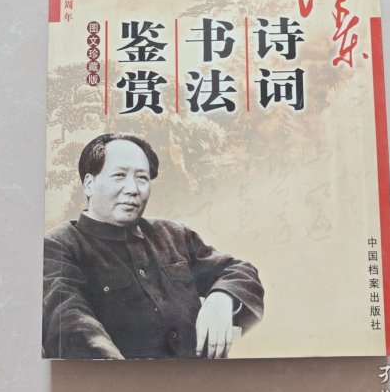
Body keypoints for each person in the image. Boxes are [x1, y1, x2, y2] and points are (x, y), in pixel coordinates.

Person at [42, 132, 264, 359]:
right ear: (89, 184)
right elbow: (73, 326)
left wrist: (221, 299)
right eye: (119, 175)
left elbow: (239, 271)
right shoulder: (58, 246)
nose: (133, 189)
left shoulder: (174, 235)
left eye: (142, 178)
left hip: (202, 375)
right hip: (123, 380)